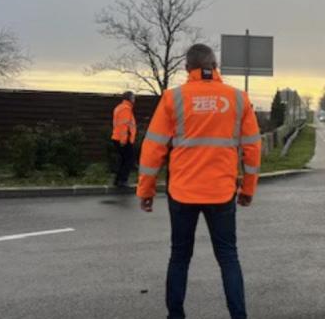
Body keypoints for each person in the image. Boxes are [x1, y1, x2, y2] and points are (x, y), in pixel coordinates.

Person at [136, 44, 262, 319]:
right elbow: (252, 147)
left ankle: (176, 315)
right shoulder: (238, 99)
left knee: (179, 256)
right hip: (222, 192)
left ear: (187, 68)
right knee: (228, 257)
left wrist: (145, 190)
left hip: (182, 193)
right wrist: (248, 188)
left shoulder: (173, 98)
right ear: (215, 66)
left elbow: (153, 147)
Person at [111, 91, 136, 188]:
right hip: (124, 139)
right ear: (129, 98)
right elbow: (123, 126)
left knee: (123, 160)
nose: (135, 100)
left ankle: (118, 180)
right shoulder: (125, 109)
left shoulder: (120, 108)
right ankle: (122, 180)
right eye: (133, 98)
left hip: (118, 138)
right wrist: (124, 140)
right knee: (129, 160)